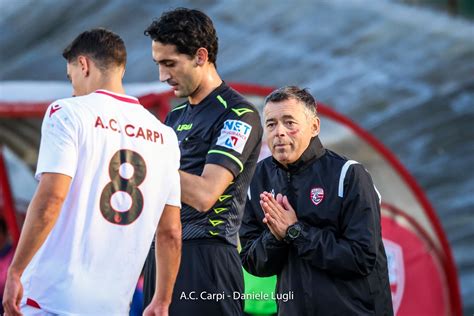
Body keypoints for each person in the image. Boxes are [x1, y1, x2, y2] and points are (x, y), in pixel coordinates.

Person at [2, 28, 182, 316]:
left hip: (49, 300)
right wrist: (162, 300)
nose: (72, 88)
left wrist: (16, 270)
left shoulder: (68, 112)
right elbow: (171, 232)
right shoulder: (165, 137)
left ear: (83, 65)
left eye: (71, 75)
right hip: (111, 307)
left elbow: (50, 200)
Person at [143, 8, 263, 315]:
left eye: (170, 63)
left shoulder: (238, 114)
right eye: (158, 64)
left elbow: (205, 194)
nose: (162, 76)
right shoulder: (174, 117)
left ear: (200, 55)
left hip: (206, 259)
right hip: (162, 255)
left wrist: (145, 162)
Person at [240, 86, 393, 315]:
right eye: (271, 124)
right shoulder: (256, 180)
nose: (279, 132)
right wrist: (276, 237)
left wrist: (295, 231)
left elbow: (361, 258)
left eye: (289, 122)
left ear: (314, 127)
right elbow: (253, 262)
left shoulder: (348, 175)